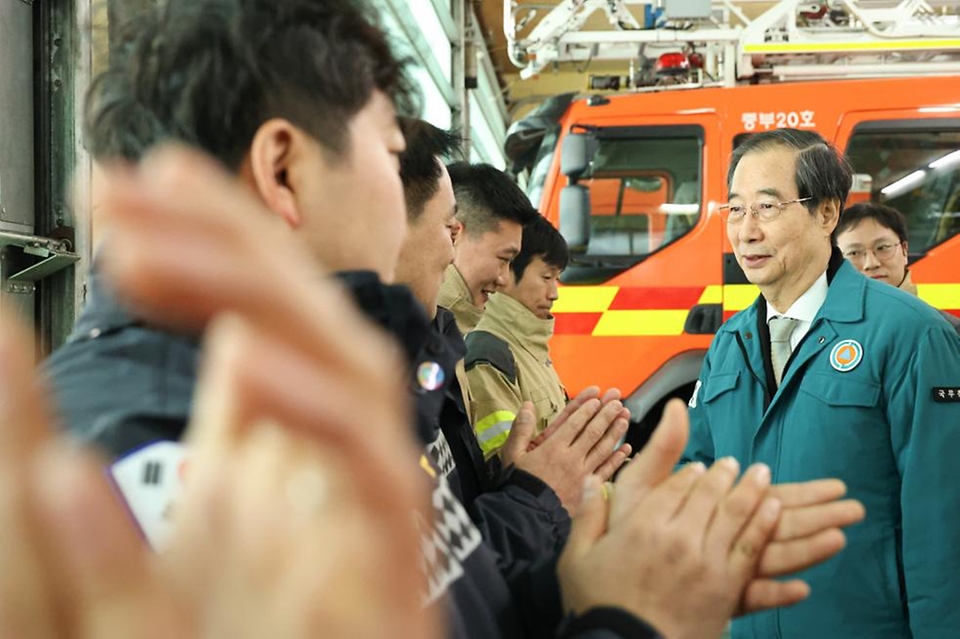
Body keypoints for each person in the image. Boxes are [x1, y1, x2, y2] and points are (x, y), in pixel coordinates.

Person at [41, 4, 861, 638]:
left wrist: (579, 585)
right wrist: (630, 621)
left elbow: (448, 608)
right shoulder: (150, 464)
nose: (435, 222)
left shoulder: (316, 399)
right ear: (284, 169)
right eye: (385, 148)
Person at [683, 128, 960, 639]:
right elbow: (695, 480)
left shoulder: (910, 335)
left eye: (766, 208)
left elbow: (942, 523)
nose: (746, 232)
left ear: (827, 213)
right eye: (735, 210)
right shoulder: (729, 345)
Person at [464, 215, 569, 457]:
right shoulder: (488, 355)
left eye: (558, 278)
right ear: (508, 271)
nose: (554, 294)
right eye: (546, 277)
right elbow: (507, 467)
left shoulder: (529, 346)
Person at [439, 162, 539, 334]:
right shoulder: (413, 335)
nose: (504, 279)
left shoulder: (446, 332)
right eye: (504, 259)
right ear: (454, 234)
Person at [835, 201, 960, 332]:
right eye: (854, 253)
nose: (871, 263)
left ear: (904, 250)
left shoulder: (948, 331)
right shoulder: (826, 330)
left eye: (883, 248)